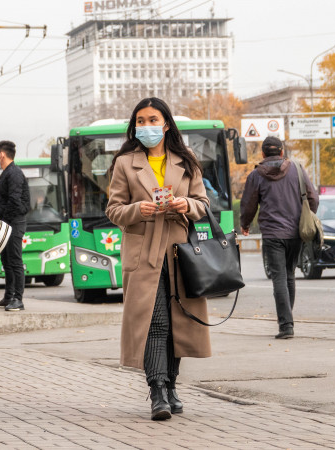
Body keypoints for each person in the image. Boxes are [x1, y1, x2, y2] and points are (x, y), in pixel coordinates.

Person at [105, 97, 212, 421]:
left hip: (180, 251)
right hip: (144, 251)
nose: (146, 126)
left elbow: (203, 203)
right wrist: (139, 210)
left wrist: (185, 205)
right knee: (155, 322)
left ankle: (173, 386)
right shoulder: (125, 163)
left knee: (179, 323)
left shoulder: (186, 158)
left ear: (166, 124)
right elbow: (113, 210)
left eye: (153, 120)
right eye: (140, 121)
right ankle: (158, 390)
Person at [240, 135, 318, 340]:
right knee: (290, 274)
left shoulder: (256, 175)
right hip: (295, 233)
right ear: (282, 152)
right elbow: (313, 198)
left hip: (273, 234)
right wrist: (307, 218)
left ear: (263, 154)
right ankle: (287, 321)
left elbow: (249, 204)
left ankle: (286, 325)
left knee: (279, 278)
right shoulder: (298, 170)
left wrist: (245, 224)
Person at [0, 140, 31, 312]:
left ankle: (18, 299)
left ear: (2, 154)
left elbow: (15, 201)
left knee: (15, 260)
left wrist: (3, 221)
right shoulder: (7, 172)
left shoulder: (14, 173)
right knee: (6, 260)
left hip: (13, 222)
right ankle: (9, 296)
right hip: (7, 222)